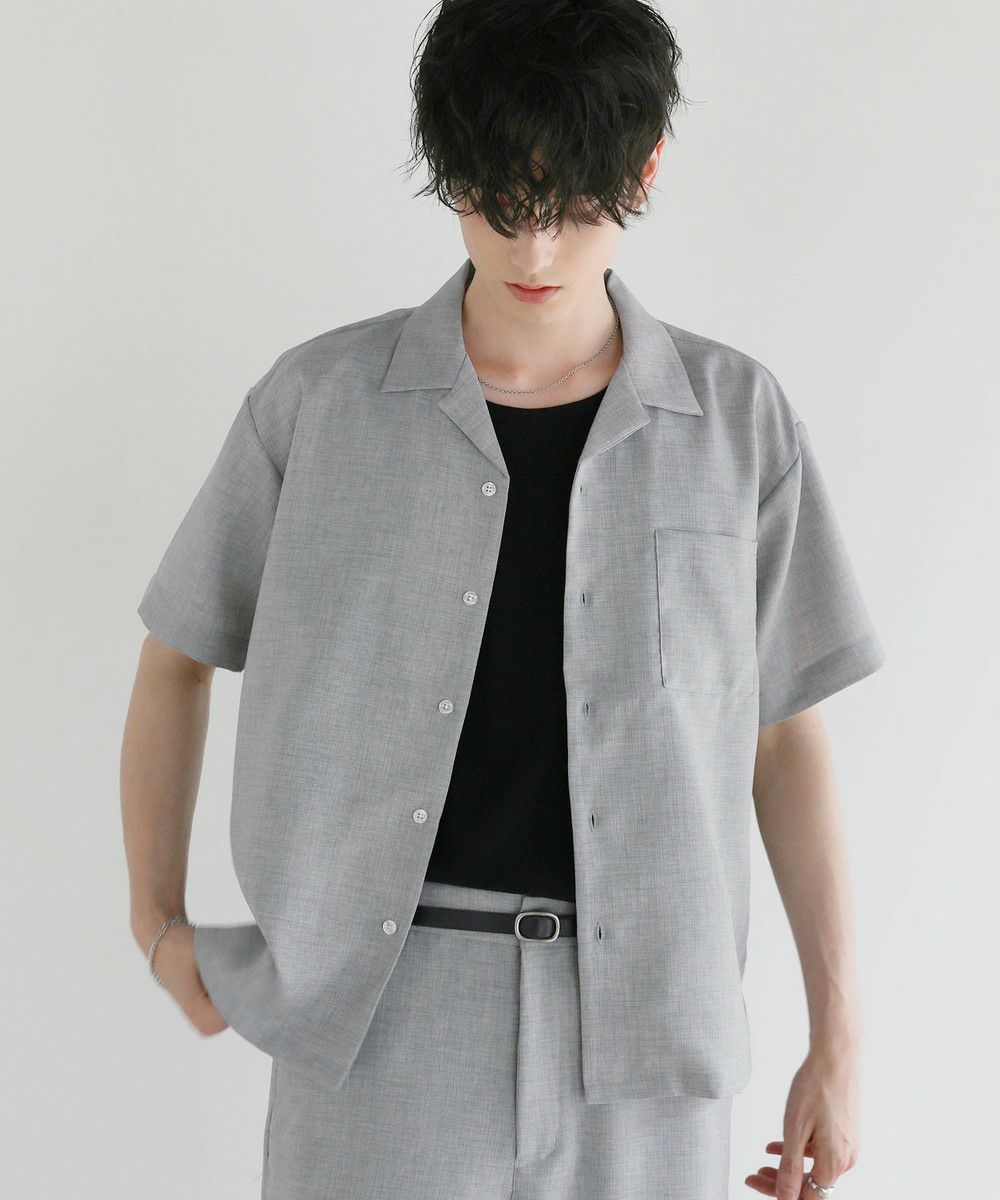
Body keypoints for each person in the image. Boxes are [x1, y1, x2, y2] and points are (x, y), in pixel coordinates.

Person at [121, 2, 885, 1197]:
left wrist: (838, 1039)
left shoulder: (738, 424)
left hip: (649, 1037)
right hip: (378, 1021)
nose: (533, 252)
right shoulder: (319, 405)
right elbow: (178, 656)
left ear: (644, 170)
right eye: (496, 203)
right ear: (446, 170)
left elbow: (782, 738)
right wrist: (157, 924)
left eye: (572, 207)